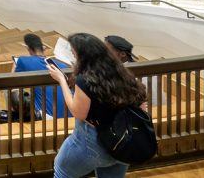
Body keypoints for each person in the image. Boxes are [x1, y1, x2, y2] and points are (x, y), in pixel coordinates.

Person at [47, 33, 148, 178]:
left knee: (62, 173)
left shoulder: (85, 79)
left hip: (92, 144)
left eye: (74, 53)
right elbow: (141, 105)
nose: (73, 56)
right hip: (123, 143)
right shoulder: (122, 73)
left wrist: (62, 80)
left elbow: (78, 113)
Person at [10, 33, 70, 119]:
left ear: (28, 48)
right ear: (44, 48)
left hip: (48, 118)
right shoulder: (64, 66)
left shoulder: (23, 60)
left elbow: (12, 84)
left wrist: (14, 67)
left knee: (13, 92)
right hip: (70, 116)